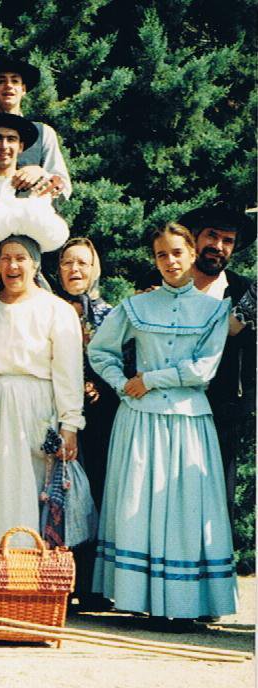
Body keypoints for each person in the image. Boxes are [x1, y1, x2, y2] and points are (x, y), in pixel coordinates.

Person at [89, 222, 235, 627]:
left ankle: (186, 604)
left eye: (176, 253)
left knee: (186, 507)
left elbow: (204, 369)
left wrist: (149, 379)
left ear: (191, 254)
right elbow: (100, 351)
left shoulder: (214, 309)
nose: (170, 262)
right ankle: (136, 598)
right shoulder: (136, 307)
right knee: (139, 504)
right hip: (139, 422)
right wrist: (121, 384)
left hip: (188, 422)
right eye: (161, 255)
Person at [0, 200, 83, 584]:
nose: (13, 267)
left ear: (35, 264)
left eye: (21, 259)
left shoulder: (56, 310)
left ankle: (28, 576)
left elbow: (67, 371)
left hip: (35, 407)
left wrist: (70, 423)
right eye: (6, 258)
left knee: (31, 491)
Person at [180, 204, 255, 529]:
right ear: (194, 238)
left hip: (220, 418)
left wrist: (242, 407)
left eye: (228, 240)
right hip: (167, 412)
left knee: (214, 513)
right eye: (212, 235)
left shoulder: (246, 293)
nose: (219, 246)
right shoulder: (165, 282)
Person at [53, 236, 117, 609]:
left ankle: (92, 585)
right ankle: (58, 581)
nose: (75, 270)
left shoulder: (111, 314)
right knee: (58, 495)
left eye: (82, 263)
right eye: (67, 263)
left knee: (93, 493)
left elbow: (125, 364)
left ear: (95, 269)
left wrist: (100, 387)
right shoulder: (49, 309)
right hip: (58, 412)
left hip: (99, 416)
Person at [0, 58, 72, 201]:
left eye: (15, 81)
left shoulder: (44, 133)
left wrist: (42, 173)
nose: (8, 86)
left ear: (23, 89)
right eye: (1, 81)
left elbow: (63, 187)